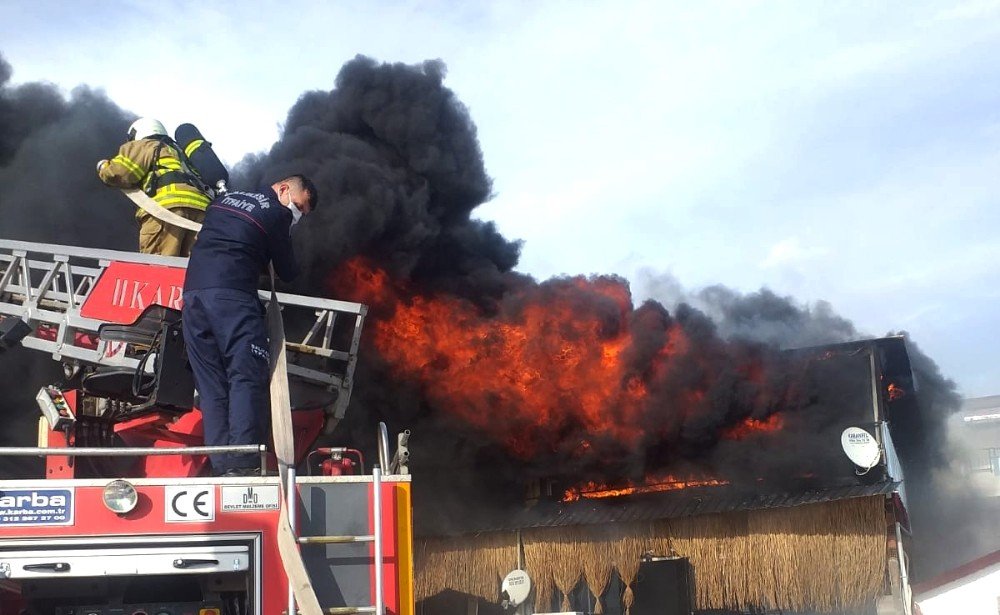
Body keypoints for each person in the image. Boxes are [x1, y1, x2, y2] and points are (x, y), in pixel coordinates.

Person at [182, 174, 318, 476]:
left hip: (193, 298)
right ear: (283, 189)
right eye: (298, 207)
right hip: (232, 298)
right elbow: (288, 271)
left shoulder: (222, 202)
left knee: (212, 386)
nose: (296, 215)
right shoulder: (275, 213)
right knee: (246, 377)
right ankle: (243, 465)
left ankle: (222, 465)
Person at [96, 117, 211, 256]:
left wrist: (103, 167)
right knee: (191, 271)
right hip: (201, 215)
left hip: (167, 211)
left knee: (159, 270)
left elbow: (120, 173)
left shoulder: (146, 145)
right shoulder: (182, 153)